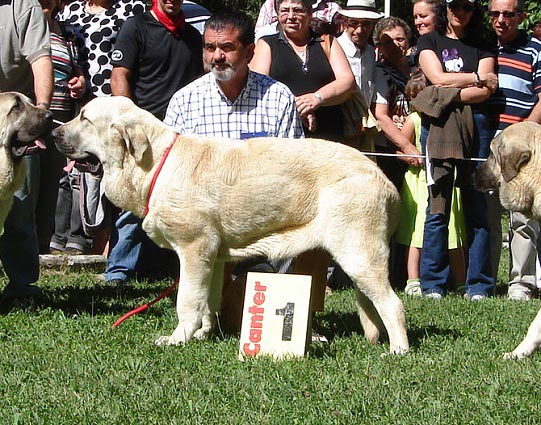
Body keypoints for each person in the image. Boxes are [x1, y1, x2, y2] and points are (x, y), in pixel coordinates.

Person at [164, 11, 305, 327]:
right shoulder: (185, 101)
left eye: (226, 47)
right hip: (204, 213)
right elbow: (169, 171)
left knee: (296, 225)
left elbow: (294, 164)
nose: (217, 56)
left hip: (264, 207)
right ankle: (197, 319)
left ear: (250, 52)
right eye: (210, 48)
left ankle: (285, 322)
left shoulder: (278, 97)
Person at [104, 0, 204, 287]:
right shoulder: (137, 26)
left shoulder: (192, 36)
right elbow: (119, 74)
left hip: (180, 135)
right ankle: (118, 271)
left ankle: (165, 267)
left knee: (178, 205)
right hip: (144, 133)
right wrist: (128, 119)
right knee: (134, 200)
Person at [416, 0, 498, 300]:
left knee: (477, 206)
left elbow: (487, 90)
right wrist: (474, 77)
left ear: (474, 10)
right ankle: (432, 284)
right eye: (454, 5)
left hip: (477, 126)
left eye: (466, 6)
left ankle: (479, 285)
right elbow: (435, 79)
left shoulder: (484, 42)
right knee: (437, 206)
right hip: (437, 126)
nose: (459, 11)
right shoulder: (429, 40)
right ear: (445, 8)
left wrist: (448, 90)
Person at [0, 0, 53, 309]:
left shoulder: (23, 5)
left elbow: (40, 58)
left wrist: (41, 110)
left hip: (12, 114)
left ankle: (22, 288)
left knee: (19, 210)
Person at [487, 0, 541, 300]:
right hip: (487, 148)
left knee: (522, 220)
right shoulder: (484, 47)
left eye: (508, 14)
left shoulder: (535, 49)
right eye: (495, 14)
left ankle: (521, 283)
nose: (501, 20)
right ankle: (485, 282)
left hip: (523, 152)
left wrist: (521, 137)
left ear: (520, 16)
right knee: (487, 218)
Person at [250, 0, 355, 141]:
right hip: (283, 135)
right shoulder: (266, 44)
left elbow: (347, 81)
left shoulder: (327, 41)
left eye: (297, 10)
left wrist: (317, 98)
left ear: (310, 14)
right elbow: (258, 86)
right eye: (285, 11)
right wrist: (297, 107)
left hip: (328, 135)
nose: (291, 16)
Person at [36, 0, 90, 256]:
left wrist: (79, 81)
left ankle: (45, 246)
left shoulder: (66, 32)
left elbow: (76, 68)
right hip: (31, 119)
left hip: (60, 118)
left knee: (54, 184)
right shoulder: (25, 28)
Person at [336, 0, 383, 152]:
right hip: (340, 126)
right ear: (345, 22)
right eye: (354, 23)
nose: (359, 30)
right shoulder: (336, 48)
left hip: (363, 127)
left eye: (366, 24)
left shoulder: (370, 52)